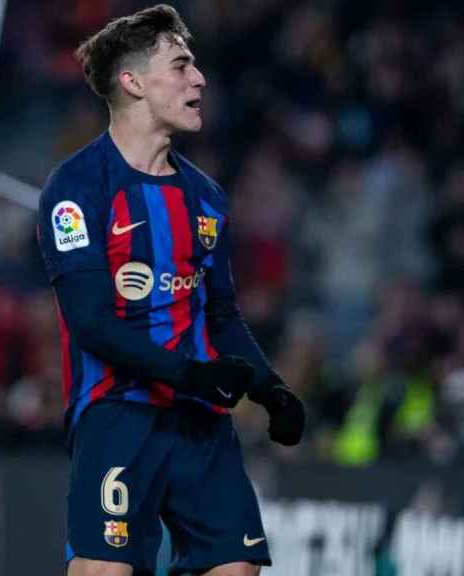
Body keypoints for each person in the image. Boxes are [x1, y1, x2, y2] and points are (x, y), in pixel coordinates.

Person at [36, 5, 305, 576]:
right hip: (118, 415)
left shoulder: (205, 197)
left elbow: (223, 314)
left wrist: (269, 388)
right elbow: (91, 323)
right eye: (181, 66)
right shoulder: (77, 187)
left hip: (199, 419)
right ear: (132, 83)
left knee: (238, 567)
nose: (199, 79)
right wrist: (190, 373)